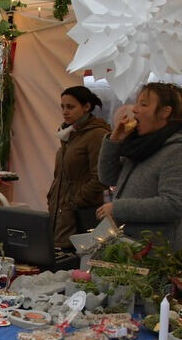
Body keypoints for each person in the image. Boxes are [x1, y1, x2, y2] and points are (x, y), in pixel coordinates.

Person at [97, 82, 182, 249]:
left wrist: (118, 208)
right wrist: (114, 141)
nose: (135, 109)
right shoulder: (144, 146)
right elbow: (108, 177)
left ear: (166, 112)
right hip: (130, 246)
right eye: (137, 103)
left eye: (143, 104)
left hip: (158, 254)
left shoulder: (176, 150)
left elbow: (173, 204)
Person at [47, 86, 110, 248]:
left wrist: (75, 201)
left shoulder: (96, 134)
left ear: (86, 107)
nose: (65, 111)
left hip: (82, 214)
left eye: (70, 107)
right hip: (62, 212)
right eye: (62, 107)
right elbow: (61, 175)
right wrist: (53, 196)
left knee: (77, 259)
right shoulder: (69, 134)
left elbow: (101, 177)